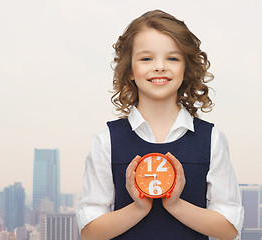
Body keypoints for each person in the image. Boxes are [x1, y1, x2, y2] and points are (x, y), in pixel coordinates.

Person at [76, 10, 243, 240]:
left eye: (172, 58)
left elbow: (229, 229)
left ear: (186, 69)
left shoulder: (211, 140)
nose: (160, 67)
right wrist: (139, 207)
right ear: (129, 70)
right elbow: (89, 232)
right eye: (147, 58)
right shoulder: (106, 141)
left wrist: (175, 204)